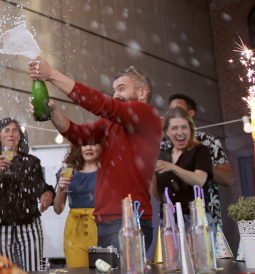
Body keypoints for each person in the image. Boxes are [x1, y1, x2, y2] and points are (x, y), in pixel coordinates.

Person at [29, 58, 161, 252]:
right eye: (114, 90)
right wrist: (53, 113)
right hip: (106, 219)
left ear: (142, 93)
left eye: (122, 89)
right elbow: (80, 136)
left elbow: (102, 104)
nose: (116, 95)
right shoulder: (111, 123)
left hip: (130, 219)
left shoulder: (146, 113)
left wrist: (52, 75)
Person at [0, 118, 55, 272]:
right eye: (6, 130)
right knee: (3, 270)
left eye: (15, 130)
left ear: (20, 136)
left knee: (33, 270)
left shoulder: (31, 162)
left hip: (29, 225)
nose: (11, 134)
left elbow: (42, 188)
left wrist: (48, 193)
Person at [161, 94, 231, 228]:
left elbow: (227, 178)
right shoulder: (165, 144)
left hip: (204, 212)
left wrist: (199, 164)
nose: (174, 112)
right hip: (172, 217)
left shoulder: (207, 141)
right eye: (170, 110)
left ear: (190, 114)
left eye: (178, 108)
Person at [152, 107, 213, 220]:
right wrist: (149, 175)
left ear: (191, 129)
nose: (180, 132)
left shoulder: (200, 151)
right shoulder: (162, 156)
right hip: (169, 220)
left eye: (184, 127)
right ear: (167, 131)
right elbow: (159, 197)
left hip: (195, 218)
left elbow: (199, 180)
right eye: (174, 128)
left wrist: (174, 168)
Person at [53, 144, 99, 267]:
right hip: (74, 230)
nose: (88, 148)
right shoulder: (67, 171)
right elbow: (58, 209)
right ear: (78, 148)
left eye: (93, 144)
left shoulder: (108, 170)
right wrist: (60, 189)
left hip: (102, 227)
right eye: (84, 144)